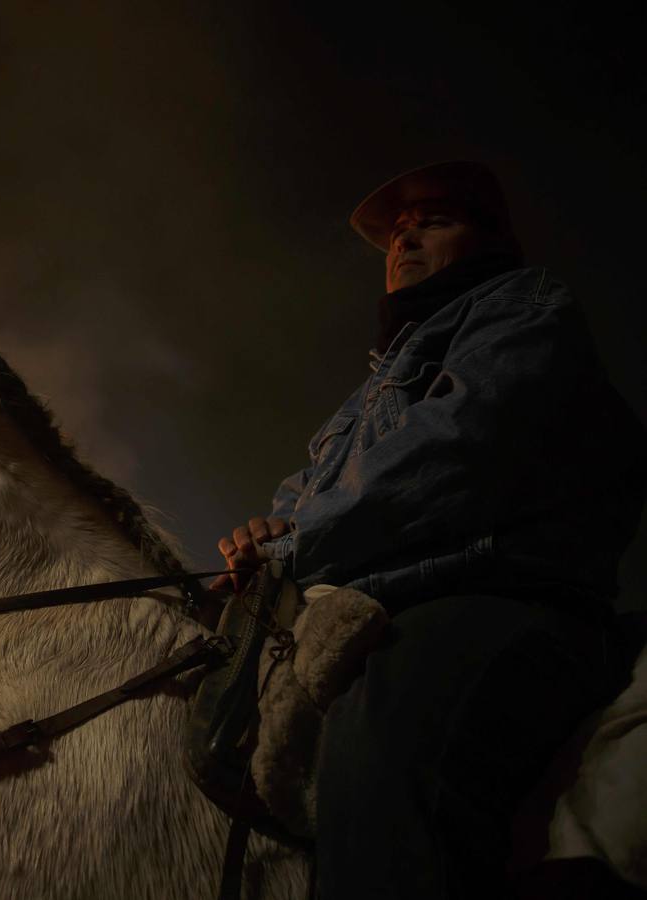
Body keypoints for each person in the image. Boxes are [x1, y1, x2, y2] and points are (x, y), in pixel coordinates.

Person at [213, 161, 646, 899]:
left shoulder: (523, 305)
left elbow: (456, 447)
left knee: (380, 737)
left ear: (485, 243)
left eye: (433, 221)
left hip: (497, 597)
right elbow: (301, 501)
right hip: (375, 602)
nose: (405, 237)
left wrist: (290, 545)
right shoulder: (365, 393)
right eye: (396, 233)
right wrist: (258, 539)